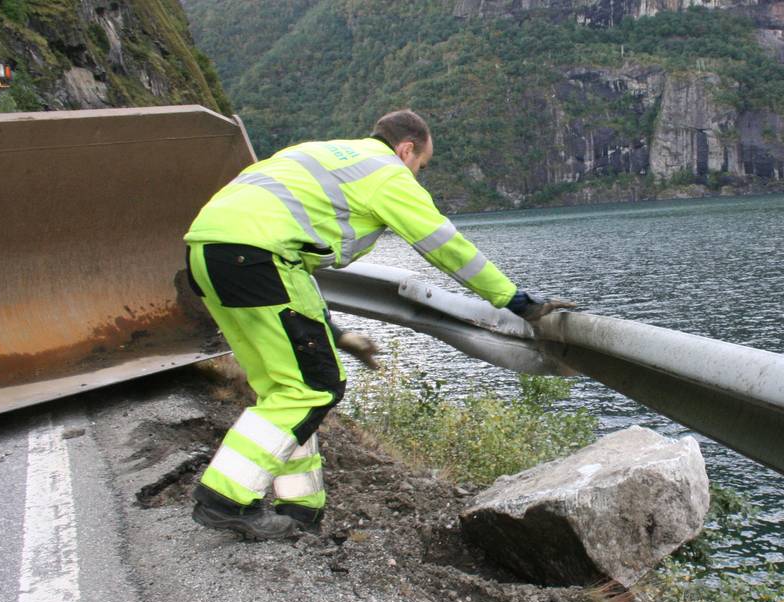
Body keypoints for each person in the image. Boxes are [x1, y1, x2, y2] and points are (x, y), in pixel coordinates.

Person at [182, 109, 571, 540]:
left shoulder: (328, 155)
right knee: (312, 388)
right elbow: (447, 246)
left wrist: (337, 334)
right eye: (421, 166)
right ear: (407, 149)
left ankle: (301, 508)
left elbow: (295, 271)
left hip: (209, 253)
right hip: (256, 258)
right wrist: (518, 302)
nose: (417, 176)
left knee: (284, 389)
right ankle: (226, 498)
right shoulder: (388, 174)